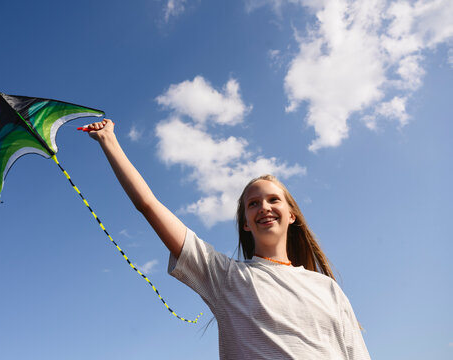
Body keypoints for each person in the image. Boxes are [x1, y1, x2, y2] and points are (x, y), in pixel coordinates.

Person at [85, 119, 371, 360]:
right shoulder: (226, 278)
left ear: (292, 214)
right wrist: (109, 141)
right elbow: (148, 204)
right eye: (253, 204)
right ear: (245, 223)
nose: (264, 207)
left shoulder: (327, 288)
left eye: (273, 200)